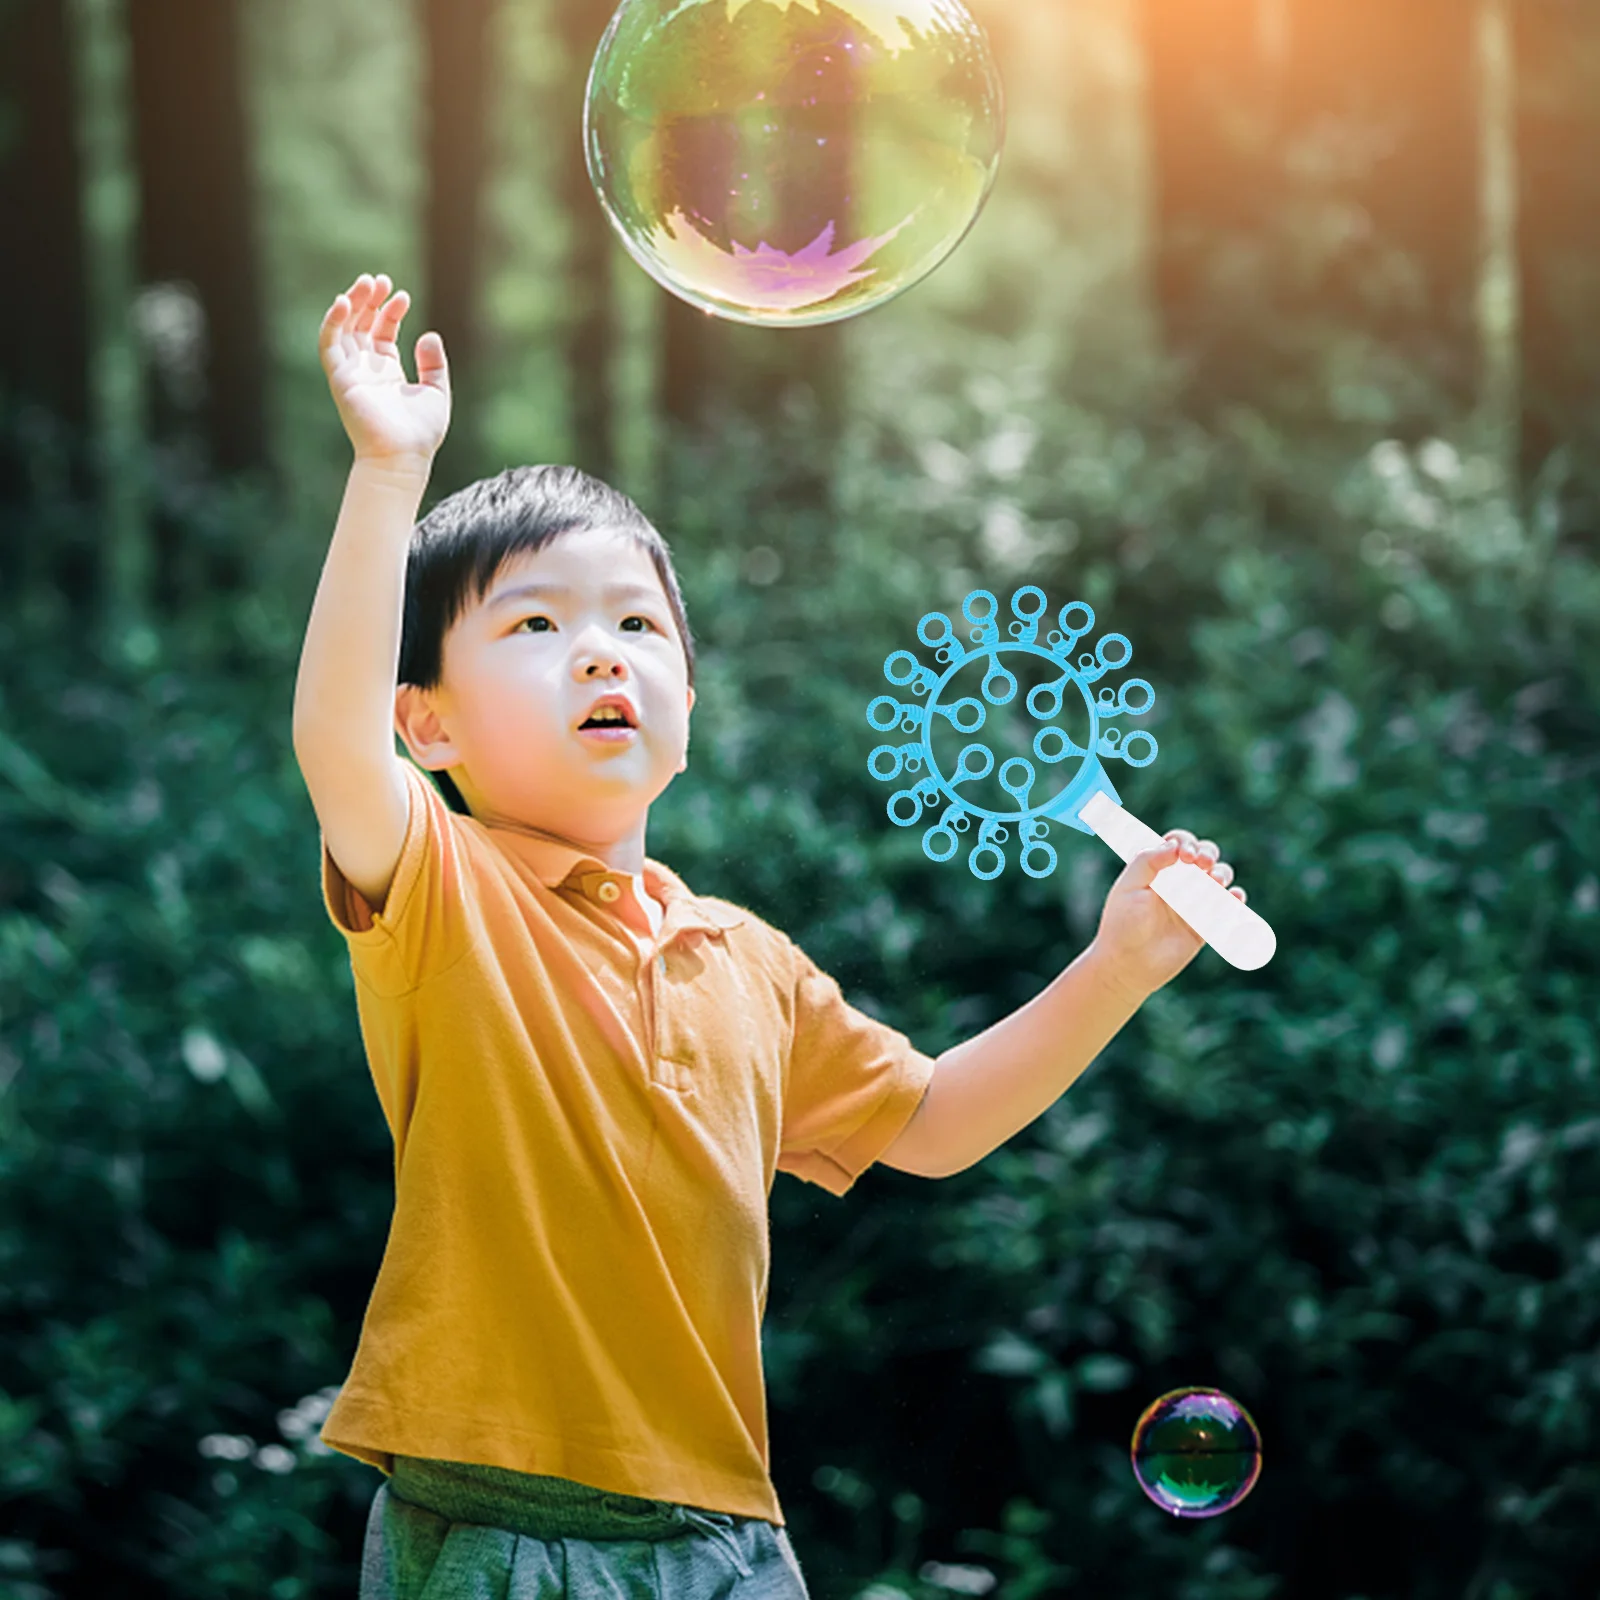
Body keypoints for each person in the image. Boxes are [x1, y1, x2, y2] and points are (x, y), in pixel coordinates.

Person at [293, 272, 1251, 1599]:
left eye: (637, 625)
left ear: (690, 696)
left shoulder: (749, 960)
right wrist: (389, 473)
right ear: (431, 724)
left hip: (728, 1541)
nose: (599, 655)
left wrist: (1121, 962)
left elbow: (932, 1121)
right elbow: (331, 745)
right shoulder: (444, 885)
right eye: (534, 624)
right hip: (503, 1525)